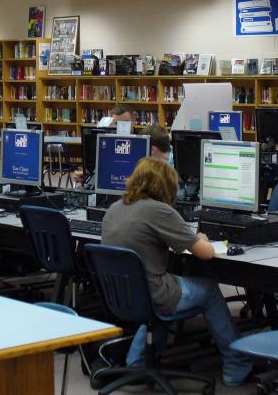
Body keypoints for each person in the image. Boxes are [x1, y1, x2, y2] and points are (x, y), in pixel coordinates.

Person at [101, 157, 251, 387]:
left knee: (162, 284)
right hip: (153, 294)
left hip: (122, 294)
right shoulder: (159, 210)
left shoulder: (115, 207)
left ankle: (137, 361)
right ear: (165, 186)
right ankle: (236, 363)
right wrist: (200, 238)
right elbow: (206, 254)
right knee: (209, 289)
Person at [71, 104, 136, 185]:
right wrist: (86, 176)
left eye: (125, 123)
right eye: (116, 124)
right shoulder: (105, 145)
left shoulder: (142, 145)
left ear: (133, 122)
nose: (121, 127)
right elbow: (94, 169)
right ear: (111, 124)